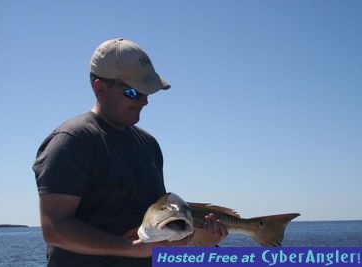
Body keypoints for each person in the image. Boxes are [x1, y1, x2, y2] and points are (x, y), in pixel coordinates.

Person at [32, 38, 227, 267]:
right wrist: (130, 249)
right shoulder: (72, 141)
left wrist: (201, 240)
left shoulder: (148, 144)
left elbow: (157, 228)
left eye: (148, 93)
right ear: (100, 87)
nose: (144, 102)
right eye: (135, 92)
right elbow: (55, 229)